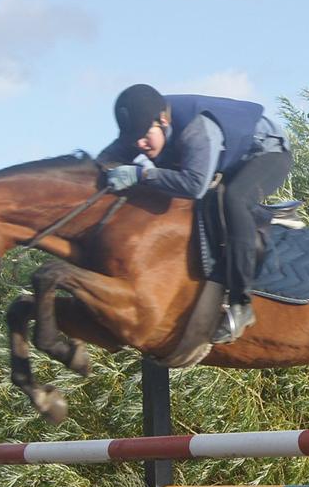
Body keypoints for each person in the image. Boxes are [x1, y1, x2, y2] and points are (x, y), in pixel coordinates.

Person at [98, 84, 293, 343]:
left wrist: (142, 174)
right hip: (225, 159)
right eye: (133, 139)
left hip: (268, 154)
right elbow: (104, 162)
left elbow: (194, 185)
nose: (139, 144)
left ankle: (241, 304)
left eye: (144, 137)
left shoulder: (197, 130)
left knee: (234, 199)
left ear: (163, 120)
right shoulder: (142, 124)